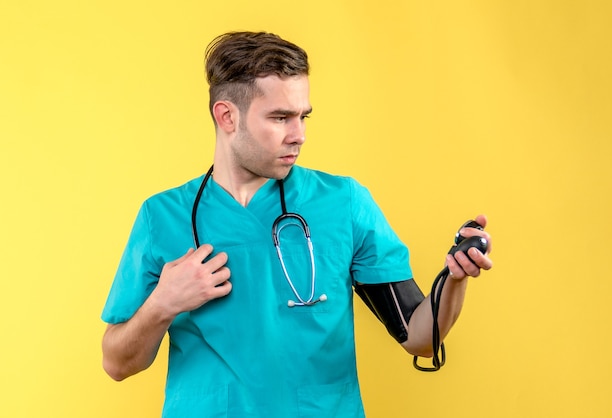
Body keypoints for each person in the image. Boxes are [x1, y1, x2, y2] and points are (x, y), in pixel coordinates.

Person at [101, 31, 493, 417]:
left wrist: (455, 278)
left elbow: (420, 338)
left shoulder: (344, 204)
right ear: (227, 116)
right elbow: (117, 363)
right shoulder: (162, 217)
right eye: (280, 117)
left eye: (303, 116)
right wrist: (162, 304)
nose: (299, 135)